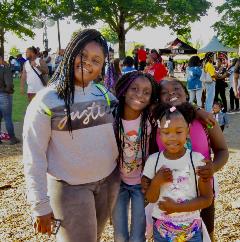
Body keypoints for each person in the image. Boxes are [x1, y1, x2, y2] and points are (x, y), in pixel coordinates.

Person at [23, 29, 121, 242]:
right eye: (82, 55)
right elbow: (34, 156)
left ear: (102, 66)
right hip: (69, 188)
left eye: (96, 60)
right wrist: (39, 205)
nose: (88, 63)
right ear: (70, 54)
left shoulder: (105, 95)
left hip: (108, 183)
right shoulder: (46, 100)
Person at [142, 78, 229, 241]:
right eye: (164, 92)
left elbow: (223, 150)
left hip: (202, 190)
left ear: (187, 94)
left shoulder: (205, 121)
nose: (171, 93)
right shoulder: (156, 125)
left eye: (176, 88)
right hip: (168, 194)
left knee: (205, 233)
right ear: (158, 99)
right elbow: (153, 159)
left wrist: (213, 167)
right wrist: (150, 180)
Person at [143, 103, 213, 242]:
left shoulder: (197, 160)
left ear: (188, 131)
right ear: (159, 133)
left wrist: (177, 208)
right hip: (162, 233)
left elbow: (207, 199)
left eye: (179, 132)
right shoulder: (153, 161)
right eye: (166, 132)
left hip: (191, 233)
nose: (172, 137)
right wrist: (156, 182)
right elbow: (150, 199)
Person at [112, 71, 158, 242]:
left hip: (142, 184)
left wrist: (197, 109)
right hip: (118, 183)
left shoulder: (150, 118)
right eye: (134, 89)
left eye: (147, 92)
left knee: (139, 235)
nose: (140, 95)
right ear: (124, 90)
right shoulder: (111, 117)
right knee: (120, 235)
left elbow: (177, 106)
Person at [0, 56, 20, 145]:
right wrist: (10, 91)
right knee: (7, 117)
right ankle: (12, 138)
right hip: (4, 94)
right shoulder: (5, 69)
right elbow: (9, 84)